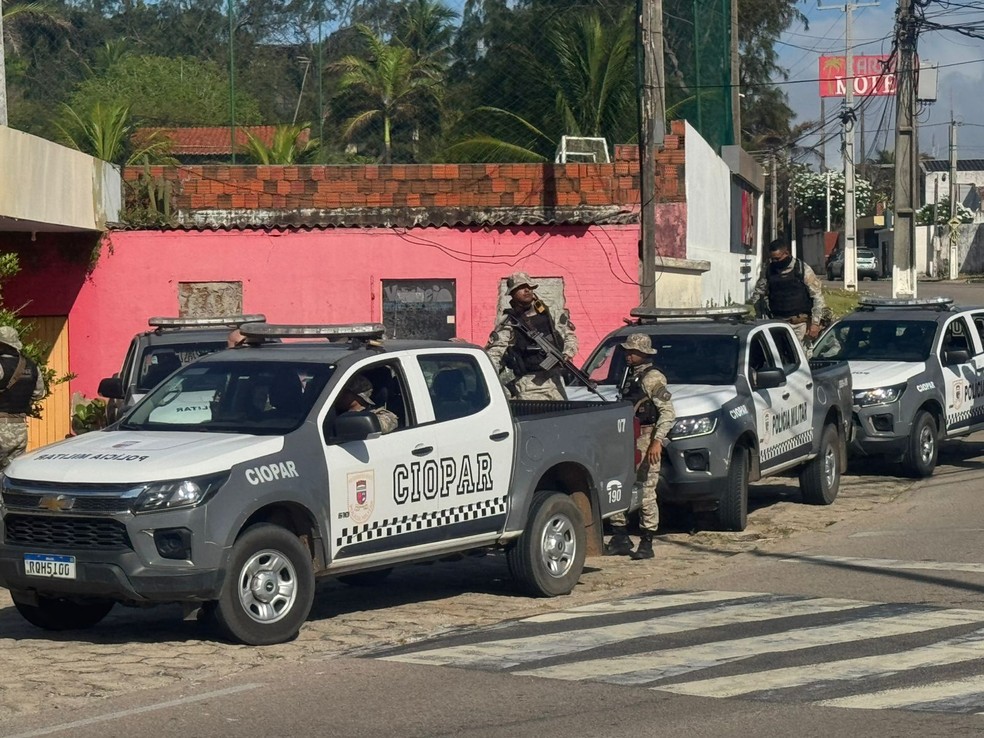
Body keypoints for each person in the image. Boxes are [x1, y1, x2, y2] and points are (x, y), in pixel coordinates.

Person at [605, 333, 675, 561]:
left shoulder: (652, 377)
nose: (628, 355)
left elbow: (667, 412)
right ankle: (620, 536)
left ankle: (647, 541)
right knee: (617, 486)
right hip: (626, 437)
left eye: (633, 351)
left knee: (646, 489)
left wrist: (657, 441)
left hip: (646, 437)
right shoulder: (629, 375)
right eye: (627, 351)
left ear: (644, 353)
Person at [485, 272, 578, 400]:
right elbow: (494, 354)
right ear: (512, 294)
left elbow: (569, 336)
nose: (527, 290)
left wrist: (567, 354)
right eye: (521, 287)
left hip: (556, 382)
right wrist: (490, 385)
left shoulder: (550, 313)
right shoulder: (509, 322)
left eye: (529, 286)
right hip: (529, 385)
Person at [749, 238, 826, 346]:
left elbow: (817, 296)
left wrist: (815, 323)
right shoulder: (768, 270)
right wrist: (761, 318)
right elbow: (758, 294)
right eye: (772, 259)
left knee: (800, 354)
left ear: (786, 253)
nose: (775, 262)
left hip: (800, 325)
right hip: (777, 323)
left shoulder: (802, 269)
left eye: (778, 258)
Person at [0, 326, 47, 469]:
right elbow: (39, 393)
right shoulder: (32, 366)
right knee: (12, 471)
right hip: (20, 428)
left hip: (1, 428)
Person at [334, 375, 398, 433]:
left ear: (359, 396)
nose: (339, 395)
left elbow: (391, 421)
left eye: (344, 392)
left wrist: (361, 423)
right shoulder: (332, 411)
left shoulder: (374, 415)